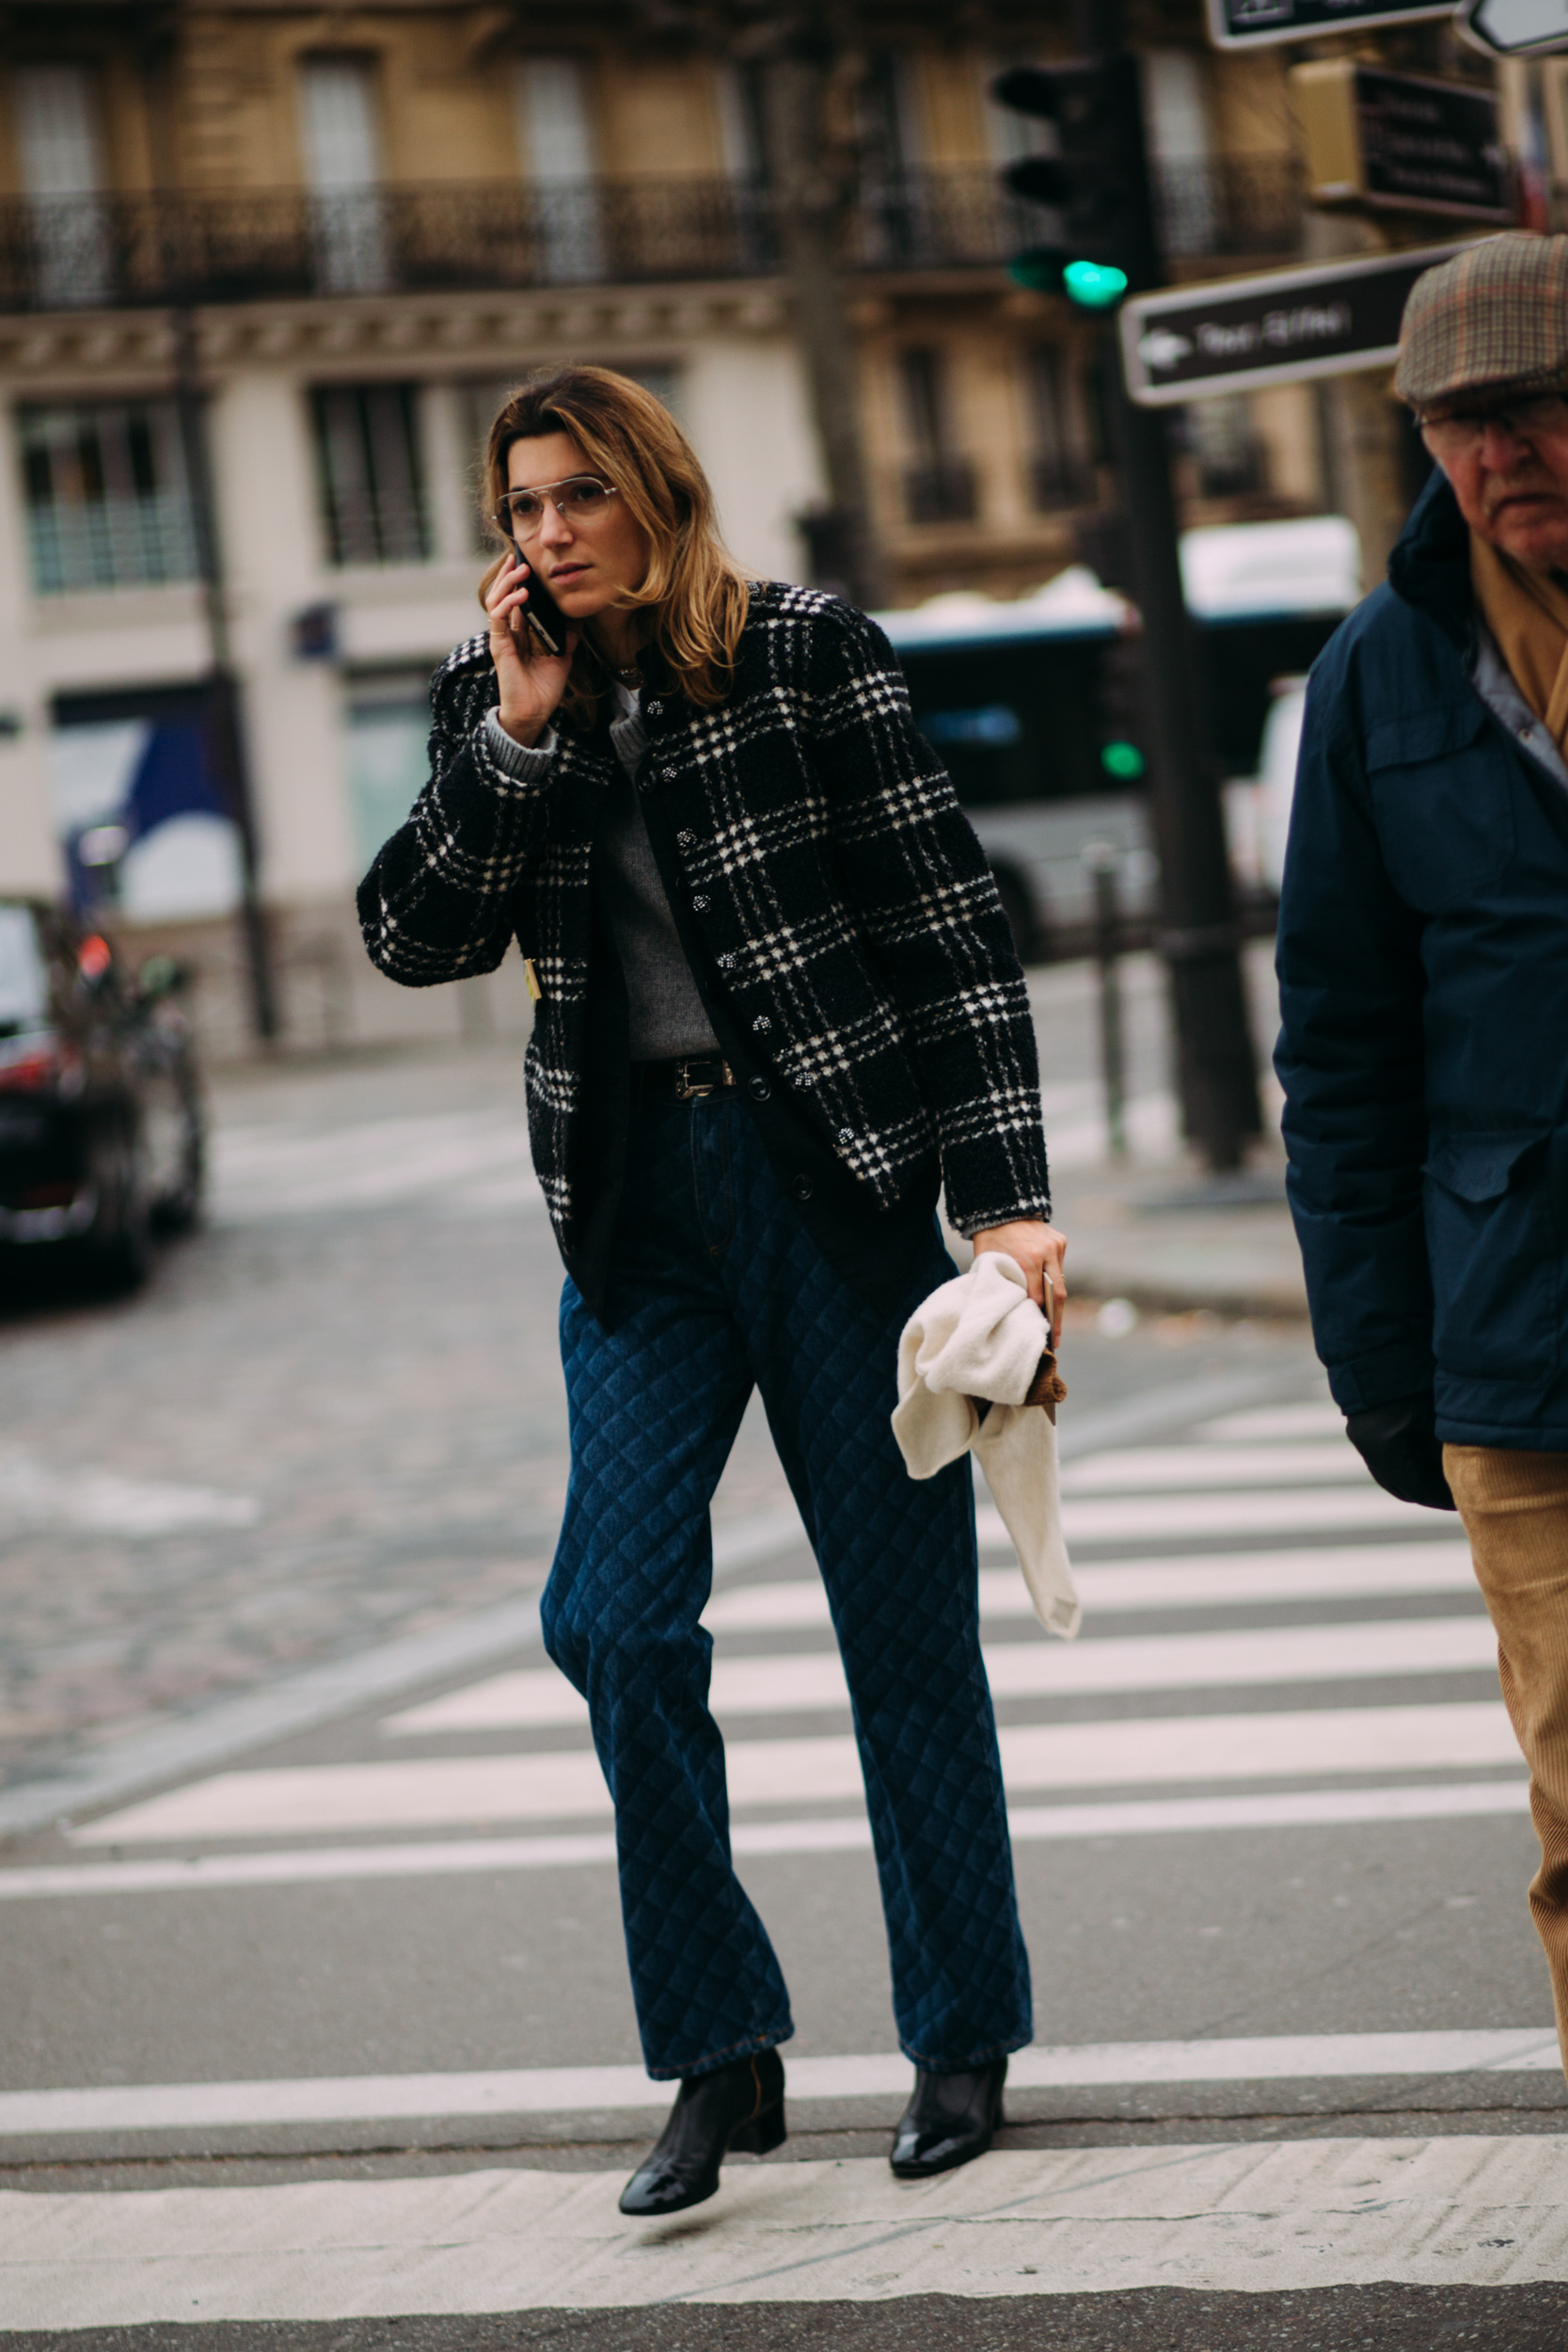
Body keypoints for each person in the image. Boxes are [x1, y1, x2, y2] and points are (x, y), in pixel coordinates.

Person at [358, 367, 1066, 2213]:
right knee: (612, 1617)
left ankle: (961, 2029)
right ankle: (716, 2037)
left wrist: (1008, 1209)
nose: (552, 530)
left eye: (582, 493)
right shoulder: (502, 697)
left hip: (829, 1186)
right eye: (523, 506)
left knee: (903, 1634)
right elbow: (411, 932)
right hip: (634, 1214)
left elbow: (949, 931)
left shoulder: (808, 656)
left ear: (657, 492)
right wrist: (515, 741)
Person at [1276, 232, 1568, 2077]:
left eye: (1532, 407)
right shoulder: (1377, 677)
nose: (1497, 454)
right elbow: (1343, 1048)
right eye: (1460, 424)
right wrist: (1385, 1364)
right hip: (1526, 1334)